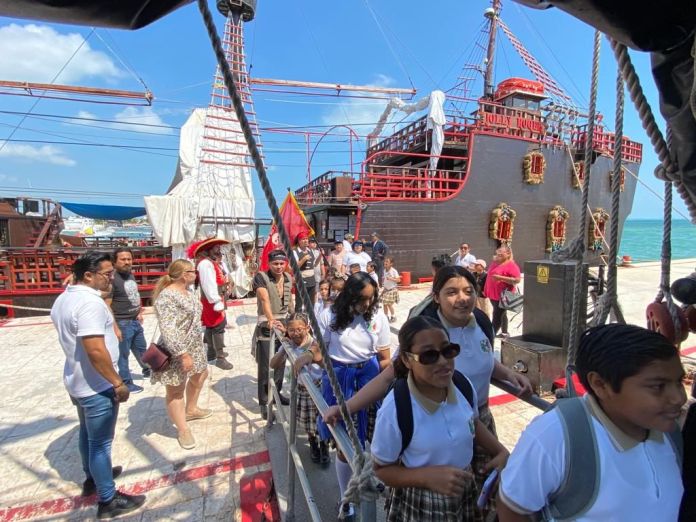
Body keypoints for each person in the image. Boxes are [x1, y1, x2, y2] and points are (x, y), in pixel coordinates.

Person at [324, 265, 532, 517]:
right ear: (436, 297)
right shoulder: (424, 335)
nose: (462, 298)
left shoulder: (481, 323)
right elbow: (387, 378)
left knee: (477, 498)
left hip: (474, 420)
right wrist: (346, 408)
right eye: (452, 292)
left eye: (468, 291)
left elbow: (485, 358)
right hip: (428, 427)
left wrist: (508, 374)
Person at [498, 324, 686, 521]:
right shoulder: (555, 437)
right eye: (658, 386)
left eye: (679, 382)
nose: (679, 398)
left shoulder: (670, 429)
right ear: (600, 384)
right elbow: (513, 509)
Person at [372, 316, 509, 522]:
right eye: (429, 356)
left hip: (465, 492)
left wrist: (499, 450)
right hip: (422, 502)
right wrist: (427, 478)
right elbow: (381, 469)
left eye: (448, 350)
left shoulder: (462, 386)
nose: (443, 361)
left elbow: (472, 421)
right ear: (407, 360)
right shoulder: (397, 408)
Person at [51, 251, 146, 519]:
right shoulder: (90, 304)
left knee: (87, 435)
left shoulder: (64, 299)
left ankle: (92, 477)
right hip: (97, 385)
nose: (111, 278)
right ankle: (107, 498)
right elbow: (94, 350)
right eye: (107, 274)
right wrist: (117, 382)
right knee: (101, 443)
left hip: (78, 381)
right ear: (88, 276)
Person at [315, 272, 392, 519]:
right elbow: (319, 350)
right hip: (340, 378)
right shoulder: (330, 315)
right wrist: (307, 356)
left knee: (375, 437)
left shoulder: (378, 316)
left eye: (371, 298)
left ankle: (372, 476)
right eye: (361, 298)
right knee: (345, 445)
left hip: (369, 377)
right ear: (349, 295)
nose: (366, 304)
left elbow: (384, 359)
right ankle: (345, 497)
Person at [151, 259, 211, 450]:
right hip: (176, 348)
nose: (196, 274)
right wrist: (183, 354)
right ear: (185, 274)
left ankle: (191, 408)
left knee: (201, 374)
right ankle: (183, 429)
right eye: (193, 271)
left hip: (194, 345)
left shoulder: (190, 292)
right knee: (176, 389)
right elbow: (169, 330)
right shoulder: (167, 297)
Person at [270, 313, 330, 465]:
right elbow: (273, 364)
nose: (296, 333)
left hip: (318, 388)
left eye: (300, 329)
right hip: (301, 388)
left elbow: (326, 366)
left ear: (308, 328)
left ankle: (324, 445)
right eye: (292, 330)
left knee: (322, 420)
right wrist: (284, 349)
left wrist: (315, 358)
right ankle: (313, 443)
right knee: (308, 422)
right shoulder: (290, 344)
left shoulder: (314, 344)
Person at [253, 249, 294, 420]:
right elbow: (264, 299)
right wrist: (271, 319)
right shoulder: (261, 277)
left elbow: (290, 301)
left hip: (284, 324)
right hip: (266, 324)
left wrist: (294, 318)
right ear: (269, 264)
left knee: (281, 360)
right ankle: (264, 402)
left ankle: (276, 393)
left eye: (281, 263)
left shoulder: (289, 277)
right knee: (266, 365)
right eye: (275, 263)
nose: (278, 266)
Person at [107, 247, 148, 394]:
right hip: (122, 322)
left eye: (129, 259)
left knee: (141, 348)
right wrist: (115, 326)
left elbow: (133, 294)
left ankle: (148, 369)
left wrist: (138, 311)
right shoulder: (112, 279)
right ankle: (126, 382)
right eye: (123, 259)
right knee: (123, 355)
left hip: (134, 319)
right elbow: (107, 305)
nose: (127, 262)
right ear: (115, 261)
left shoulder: (129, 274)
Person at [189, 238, 234, 370]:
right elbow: (208, 285)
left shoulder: (211, 263)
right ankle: (220, 358)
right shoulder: (205, 264)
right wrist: (216, 301)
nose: (219, 250)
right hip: (212, 301)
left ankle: (211, 353)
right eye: (216, 248)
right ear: (208, 250)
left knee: (211, 326)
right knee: (218, 326)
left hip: (215, 299)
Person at [484, 245, 521, 337]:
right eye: (498, 251)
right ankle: (505, 332)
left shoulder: (511, 265)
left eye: (501, 251)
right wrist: (485, 289)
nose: (499, 252)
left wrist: (501, 278)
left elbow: (517, 280)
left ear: (508, 254)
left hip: (504, 295)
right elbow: (489, 277)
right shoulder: (495, 262)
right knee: (502, 314)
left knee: (497, 315)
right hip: (493, 294)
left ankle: (491, 335)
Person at [292, 232, 317, 312]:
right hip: (301, 279)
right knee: (300, 301)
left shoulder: (310, 250)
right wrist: (303, 259)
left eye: (306, 239)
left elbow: (315, 264)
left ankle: (310, 318)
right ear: (299, 241)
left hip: (311, 279)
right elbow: (294, 267)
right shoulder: (295, 252)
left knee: (311, 301)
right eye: (303, 239)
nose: (306, 241)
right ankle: (298, 317)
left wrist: (320, 256)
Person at [382, 256, 401, 323]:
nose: (385, 262)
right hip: (386, 290)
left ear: (391, 263)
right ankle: (386, 316)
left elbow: (398, 280)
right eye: (385, 261)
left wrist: (391, 279)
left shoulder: (393, 271)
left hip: (392, 290)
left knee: (389, 304)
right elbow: (385, 281)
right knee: (384, 304)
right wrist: (383, 290)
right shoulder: (384, 270)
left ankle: (393, 316)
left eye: (387, 261)